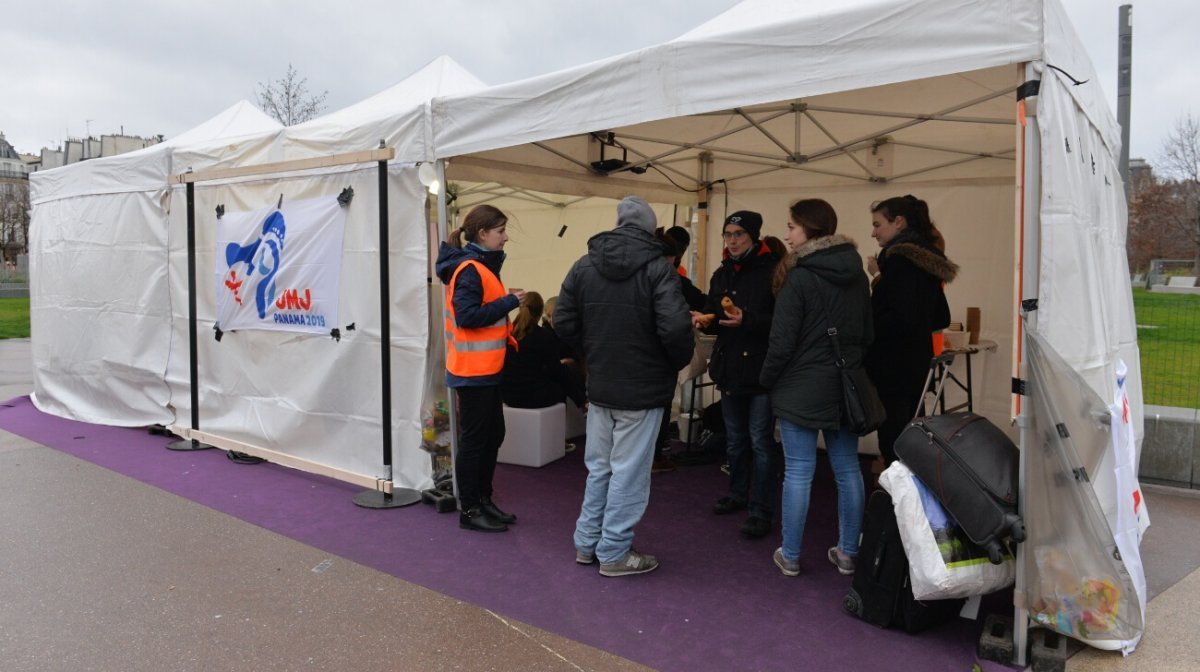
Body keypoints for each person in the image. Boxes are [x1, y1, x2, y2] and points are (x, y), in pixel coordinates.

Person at [555, 196, 694, 577]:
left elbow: (562, 320)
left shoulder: (584, 265)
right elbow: (677, 329)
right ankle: (614, 552)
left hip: (600, 384)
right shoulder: (658, 270)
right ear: (650, 230)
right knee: (628, 473)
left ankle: (587, 543)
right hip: (642, 388)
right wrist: (669, 363)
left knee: (599, 468)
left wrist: (591, 352)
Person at [760, 199, 871, 577]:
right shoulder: (858, 275)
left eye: (791, 226)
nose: (787, 234)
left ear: (810, 228)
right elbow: (868, 335)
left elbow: (781, 342)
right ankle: (848, 553)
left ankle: (790, 555)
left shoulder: (800, 276)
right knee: (848, 469)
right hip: (844, 385)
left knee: (799, 472)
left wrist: (767, 380)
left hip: (800, 388)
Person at [434, 204, 525, 533]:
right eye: (500, 231)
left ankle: (483, 500)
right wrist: (509, 302)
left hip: (484, 369)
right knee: (476, 441)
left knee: (491, 436)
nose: (505, 237)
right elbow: (468, 317)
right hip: (473, 371)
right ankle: (470, 508)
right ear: (483, 233)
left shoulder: (476, 266)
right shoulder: (470, 269)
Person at [693, 211, 779, 539]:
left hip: (759, 371)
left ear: (754, 236)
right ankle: (737, 493)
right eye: (727, 234)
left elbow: (783, 322)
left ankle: (761, 510)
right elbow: (717, 313)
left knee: (760, 441)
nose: (731, 240)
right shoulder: (722, 273)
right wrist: (706, 319)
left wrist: (750, 319)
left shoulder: (773, 272)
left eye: (738, 234)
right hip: (730, 368)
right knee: (736, 439)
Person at [864, 195, 958, 465]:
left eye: (877, 224)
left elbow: (896, 315)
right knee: (910, 430)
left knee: (893, 435)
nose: (874, 232)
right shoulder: (926, 261)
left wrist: (879, 283)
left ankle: (897, 501)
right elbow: (940, 314)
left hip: (893, 364)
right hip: (916, 361)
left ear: (899, 222)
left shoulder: (899, 260)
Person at [651, 227, 708, 474]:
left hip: (632, 359)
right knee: (659, 405)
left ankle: (648, 457)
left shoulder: (630, 276)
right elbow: (675, 324)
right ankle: (654, 457)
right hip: (658, 357)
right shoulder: (671, 280)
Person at [501, 291, 586, 410]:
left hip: (507, 395)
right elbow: (557, 372)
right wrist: (580, 399)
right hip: (533, 397)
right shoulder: (543, 336)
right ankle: (582, 410)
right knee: (564, 380)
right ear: (541, 313)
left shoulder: (508, 333)